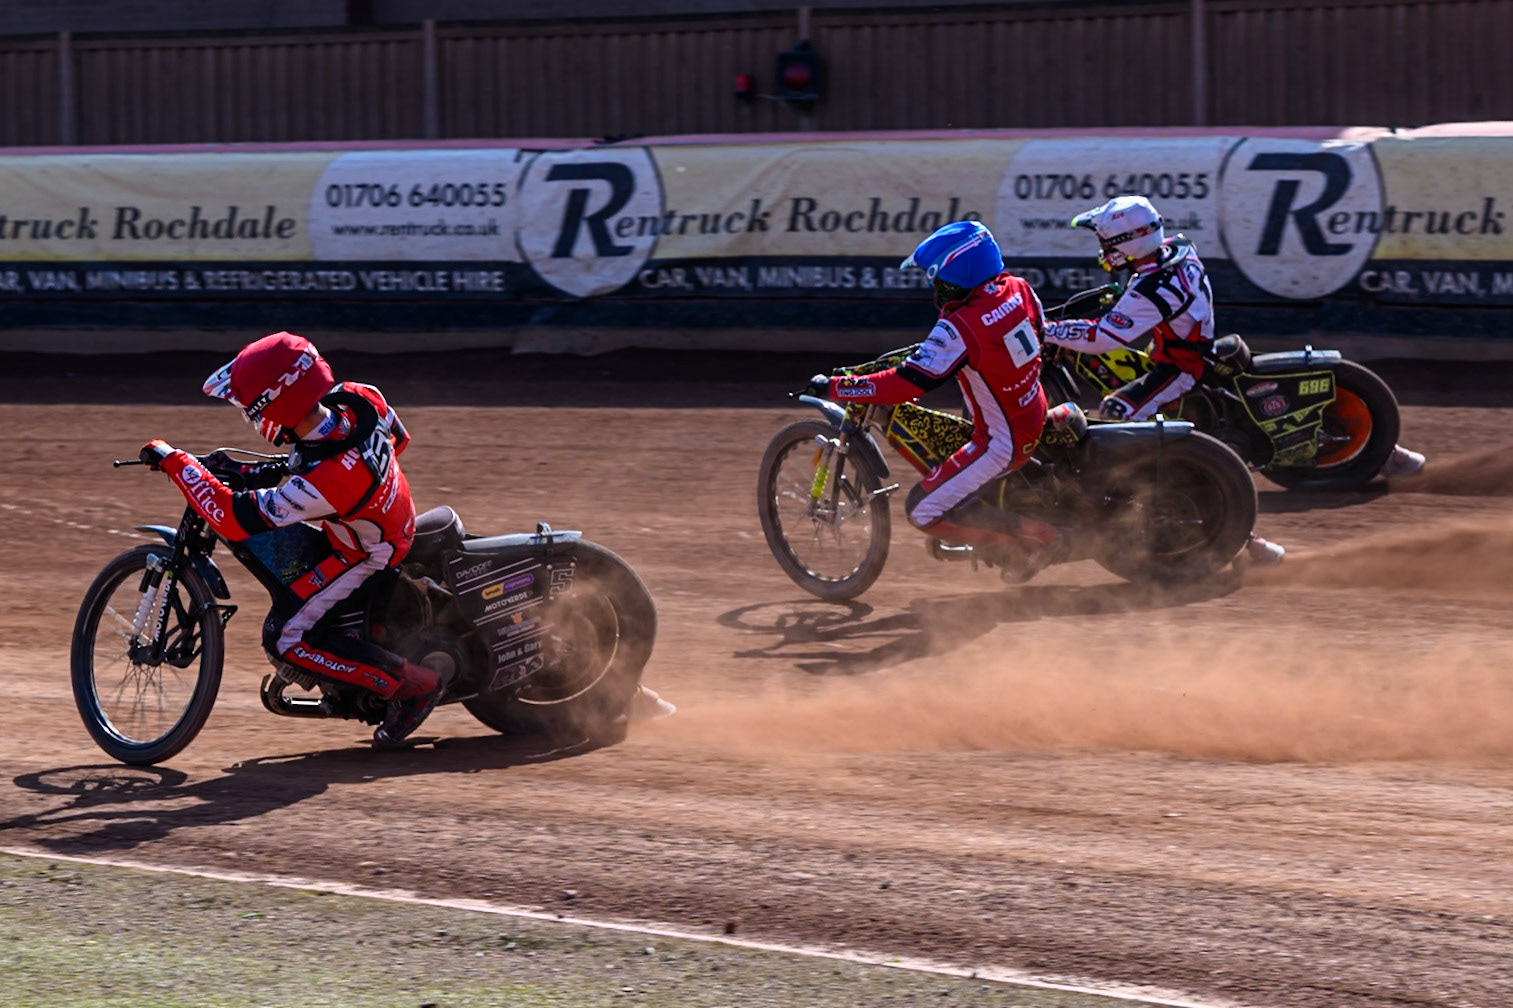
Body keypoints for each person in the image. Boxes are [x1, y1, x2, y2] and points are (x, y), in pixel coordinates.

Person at [138, 331, 444, 747]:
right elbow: (397, 439)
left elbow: (232, 519)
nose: (245, 413)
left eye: (248, 405)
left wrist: (177, 462)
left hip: (368, 552)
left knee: (285, 638)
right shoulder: (359, 396)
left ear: (273, 405)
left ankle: (412, 687)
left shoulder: (327, 482)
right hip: (379, 516)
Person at [1043, 195, 1302, 565]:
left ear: (1128, 241)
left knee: (1116, 410)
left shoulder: (1154, 288)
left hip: (1181, 365)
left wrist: (1047, 330)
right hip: (1184, 348)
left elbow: (1103, 337)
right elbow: (1134, 300)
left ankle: (1123, 497)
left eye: (1106, 240)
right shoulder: (1177, 250)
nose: (1102, 248)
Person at [808, 219, 1063, 582]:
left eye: (938, 279)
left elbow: (905, 385)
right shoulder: (1018, 289)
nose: (934, 288)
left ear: (962, 273)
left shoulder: (961, 325)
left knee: (921, 510)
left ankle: (1035, 538)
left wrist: (837, 387)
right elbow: (1036, 332)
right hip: (1032, 407)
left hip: (1000, 444)